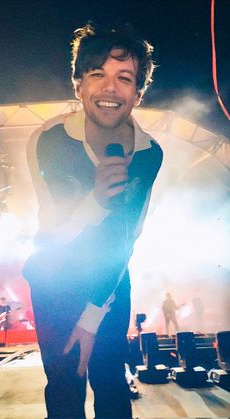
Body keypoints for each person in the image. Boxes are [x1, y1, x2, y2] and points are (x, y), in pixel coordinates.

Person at [23, 22, 163, 419]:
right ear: (78, 85)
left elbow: (126, 238)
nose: (109, 88)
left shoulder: (150, 153)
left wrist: (93, 315)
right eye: (96, 74)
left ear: (137, 93)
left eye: (124, 78)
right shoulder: (50, 139)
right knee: (65, 384)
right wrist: (96, 201)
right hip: (55, 278)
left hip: (111, 280)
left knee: (110, 382)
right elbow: (54, 234)